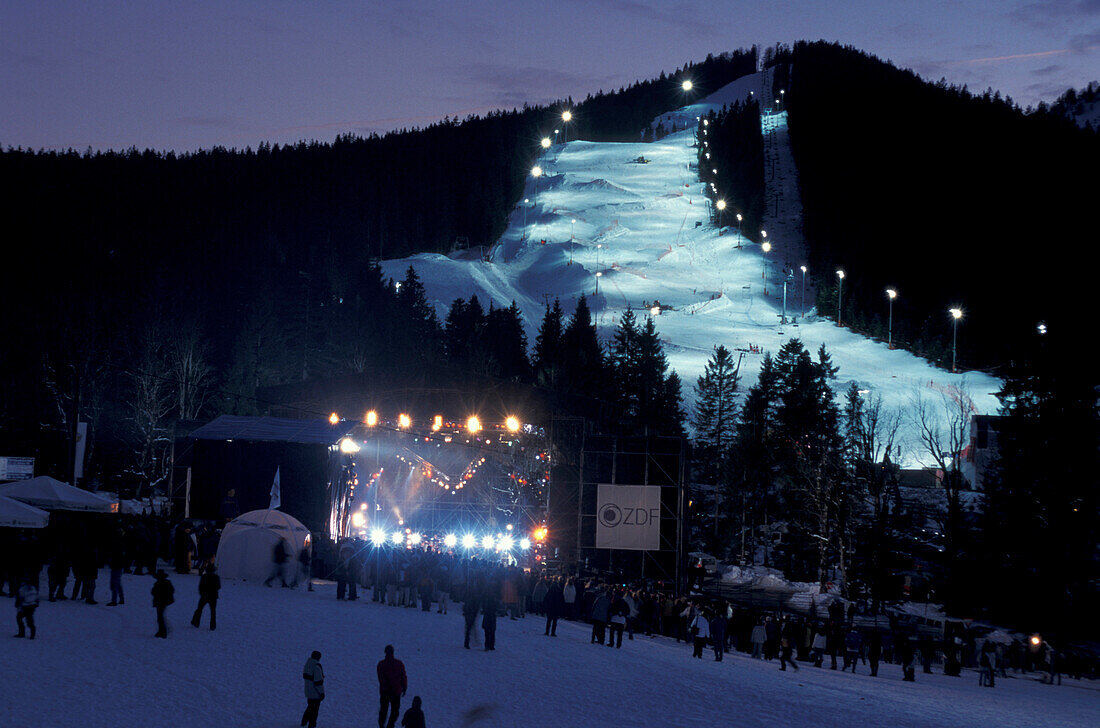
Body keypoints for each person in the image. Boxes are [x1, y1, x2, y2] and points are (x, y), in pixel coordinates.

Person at [377, 644, 407, 728]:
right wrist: (404, 687)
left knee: (384, 711)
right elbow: (403, 676)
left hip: (385, 692)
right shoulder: (399, 664)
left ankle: (383, 726)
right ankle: (389, 726)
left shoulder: (381, 665)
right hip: (395, 692)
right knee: (394, 712)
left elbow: (381, 679)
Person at [191, 564, 220, 630]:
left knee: (199, 609)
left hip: (204, 595)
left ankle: (196, 622)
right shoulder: (216, 577)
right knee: (213, 611)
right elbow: (219, 586)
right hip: (213, 596)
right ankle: (212, 625)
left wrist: (201, 593)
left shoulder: (204, 576)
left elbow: (200, 586)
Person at [301, 650, 325, 728]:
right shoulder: (316, 667)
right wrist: (322, 693)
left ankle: (303, 722)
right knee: (314, 712)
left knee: (310, 708)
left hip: (308, 692)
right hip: (315, 693)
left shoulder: (307, 664)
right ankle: (312, 726)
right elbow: (318, 682)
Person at [151, 569, 175, 638]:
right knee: (160, 617)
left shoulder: (159, 583)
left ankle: (162, 631)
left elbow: (153, 592)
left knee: (160, 617)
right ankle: (162, 631)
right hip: (164, 601)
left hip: (161, 602)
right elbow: (172, 590)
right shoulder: (167, 582)